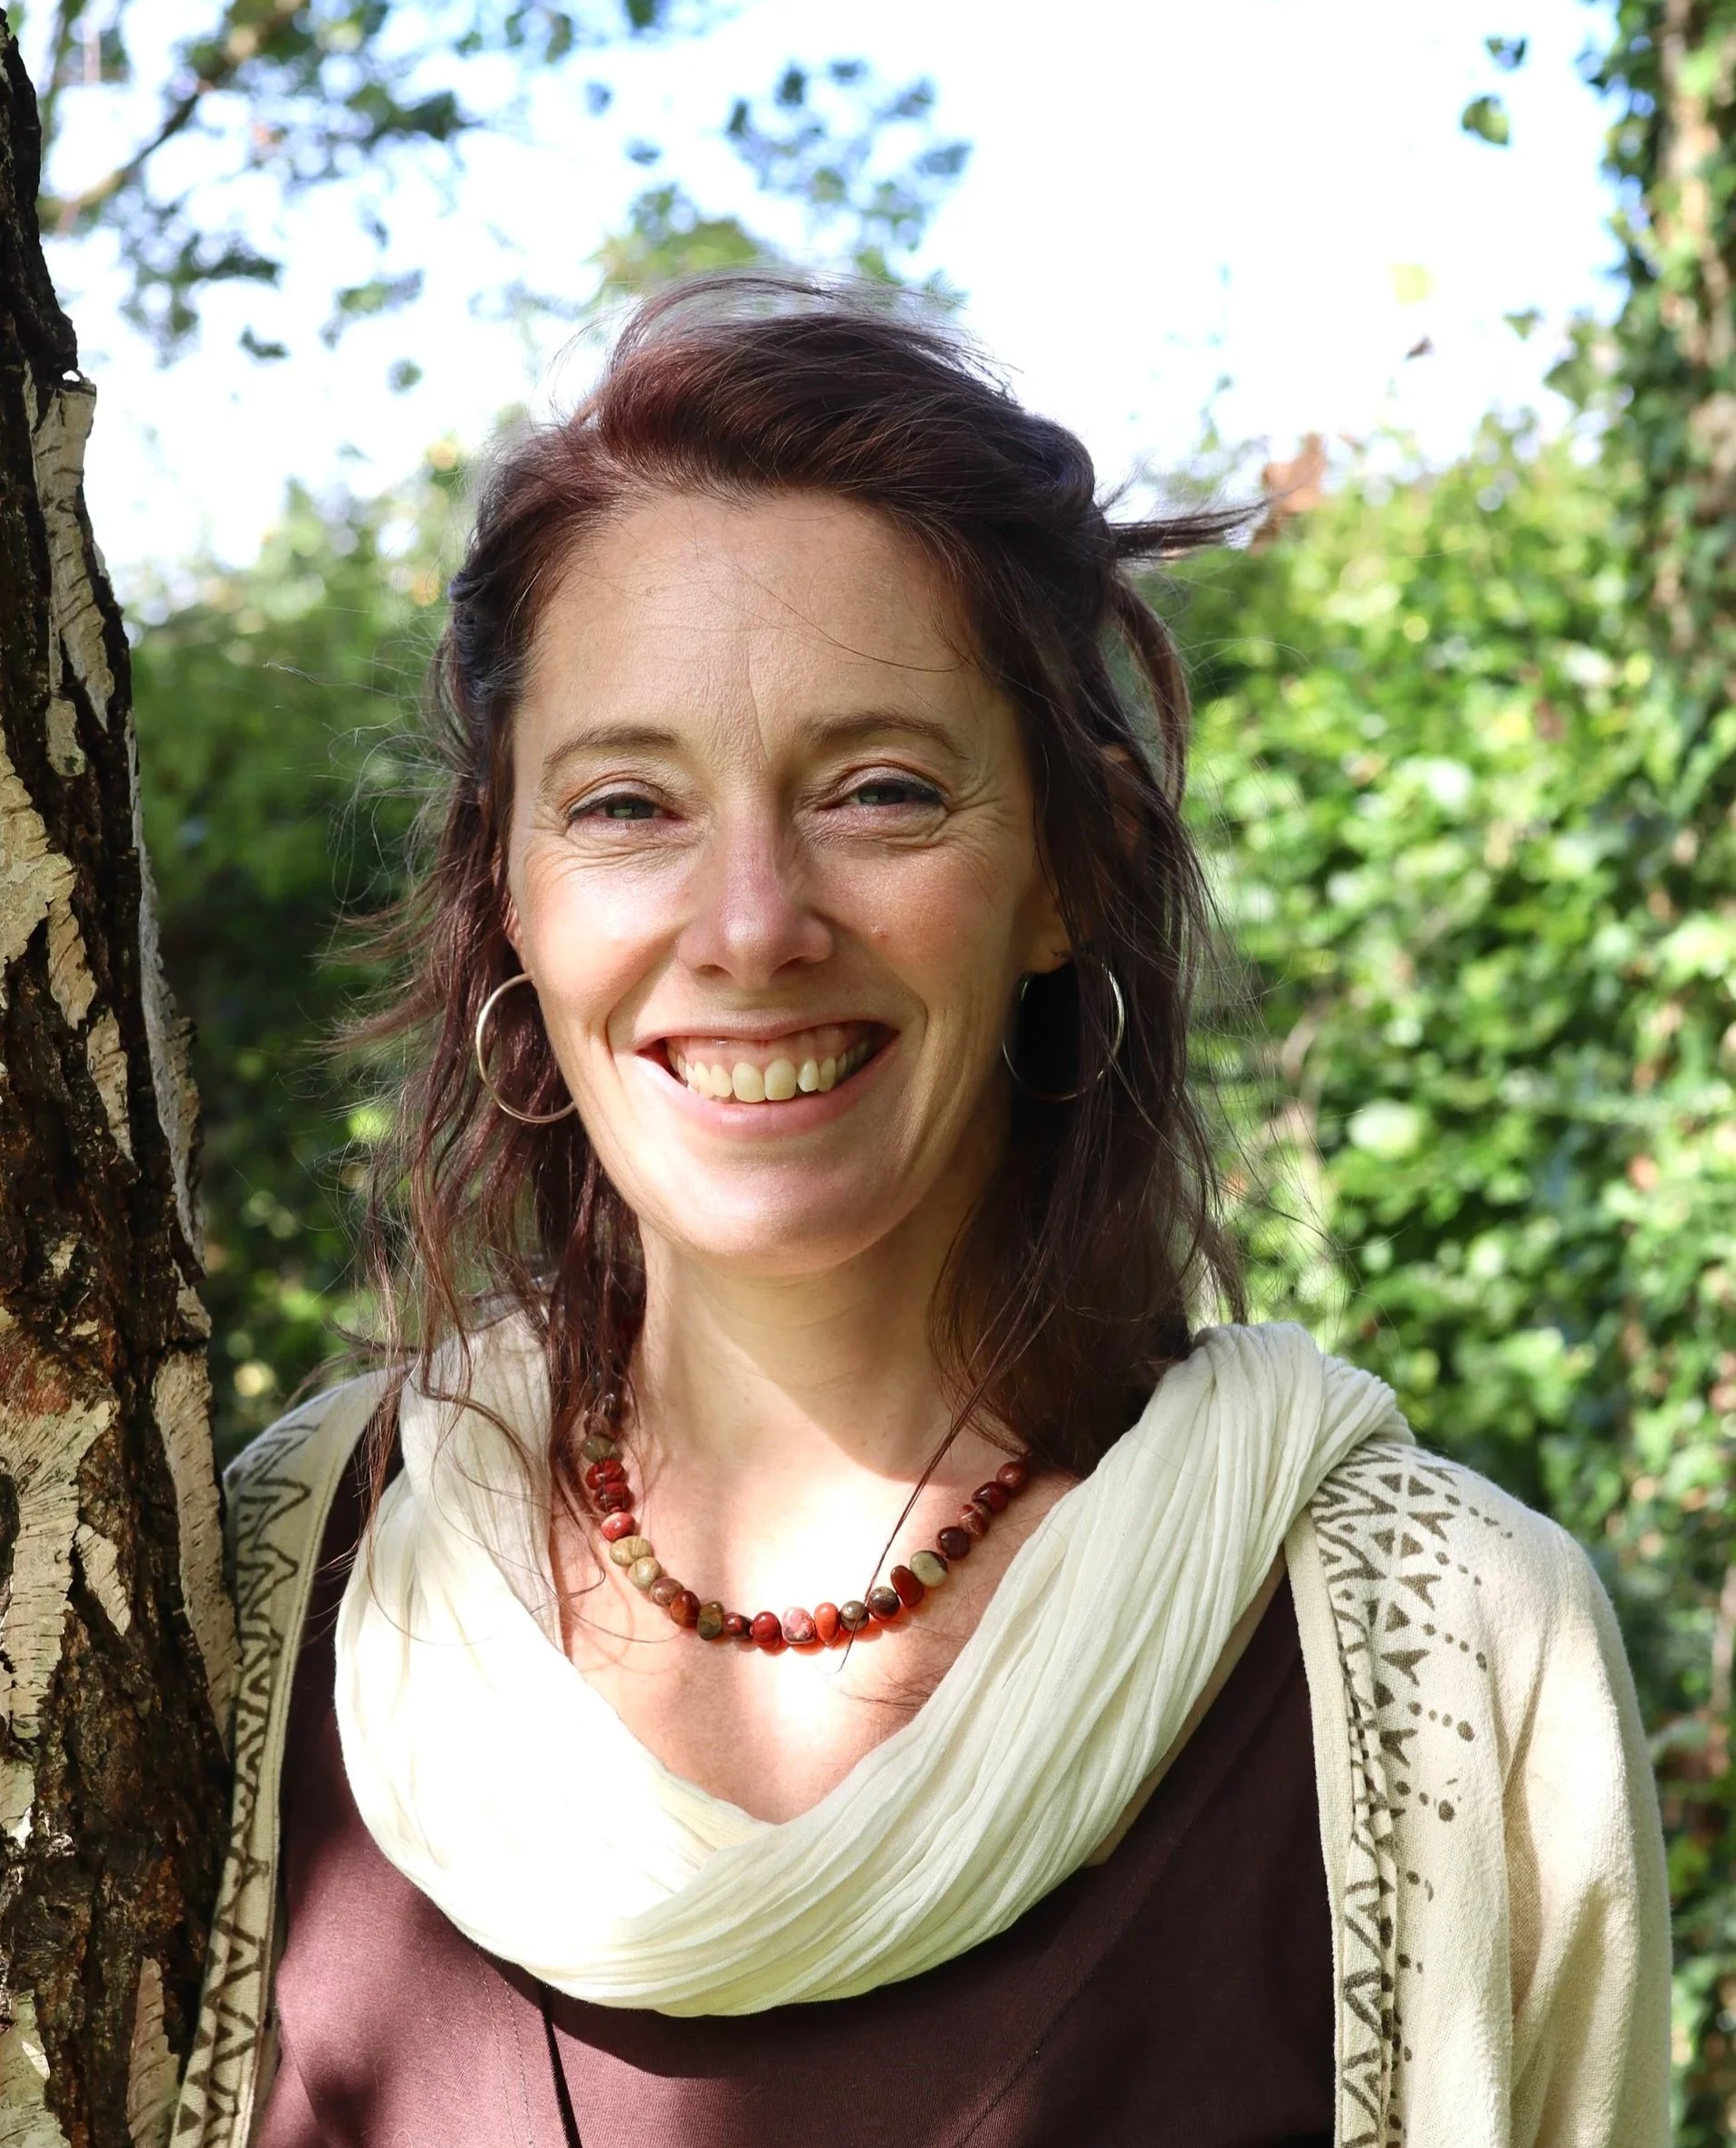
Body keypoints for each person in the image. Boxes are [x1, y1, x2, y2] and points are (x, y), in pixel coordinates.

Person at [168, 279, 1671, 2148]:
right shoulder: (276, 1595)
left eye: (879, 790)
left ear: (1067, 867)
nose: (749, 924)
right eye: (626, 804)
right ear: (509, 895)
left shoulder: (1444, 1653)